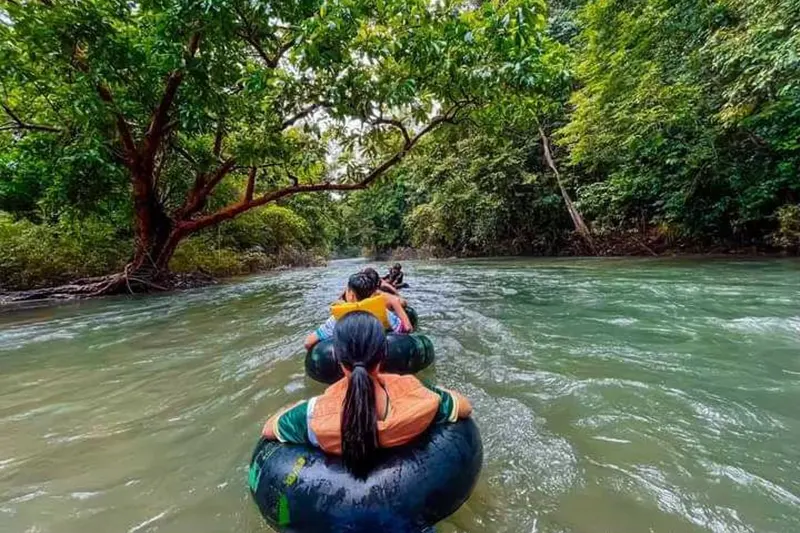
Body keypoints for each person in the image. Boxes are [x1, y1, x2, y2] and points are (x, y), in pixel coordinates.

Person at [264, 312, 472, 478]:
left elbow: (269, 430)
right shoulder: (421, 397)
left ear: (337, 357)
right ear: (383, 354)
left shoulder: (313, 414)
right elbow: (465, 407)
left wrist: (296, 406)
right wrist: (440, 390)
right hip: (415, 489)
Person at [305, 272, 412, 349]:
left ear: (351, 294)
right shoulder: (384, 313)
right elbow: (405, 329)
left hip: (350, 359)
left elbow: (308, 343)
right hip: (377, 356)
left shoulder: (337, 318)